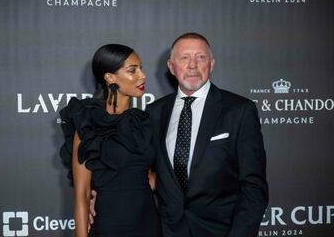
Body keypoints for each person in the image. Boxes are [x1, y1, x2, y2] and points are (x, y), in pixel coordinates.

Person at [145, 32, 269, 237]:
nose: (192, 65)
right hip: (168, 230)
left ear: (211, 64)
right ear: (171, 66)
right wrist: (97, 195)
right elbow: (139, 168)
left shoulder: (239, 110)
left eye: (200, 57)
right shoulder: (154, 112)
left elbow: (254, 187)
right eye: (184, 58)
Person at [59, 44, 161, 237]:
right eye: (133, 70)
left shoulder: (144, 122)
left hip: (148, 223)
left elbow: (150, 177)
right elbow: (82, 195)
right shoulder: (88, 124)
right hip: (110, 225)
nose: (142, 75)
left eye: (141, 68)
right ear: (110, 77)